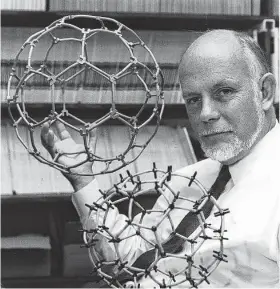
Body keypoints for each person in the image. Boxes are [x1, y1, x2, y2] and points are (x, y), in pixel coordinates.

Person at [41, 29, 280, 287]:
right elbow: (131, 256)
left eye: (224, 92)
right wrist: (84, 181)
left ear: (264, 92)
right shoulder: (188, 180)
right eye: (193, 100)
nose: (206, 113)